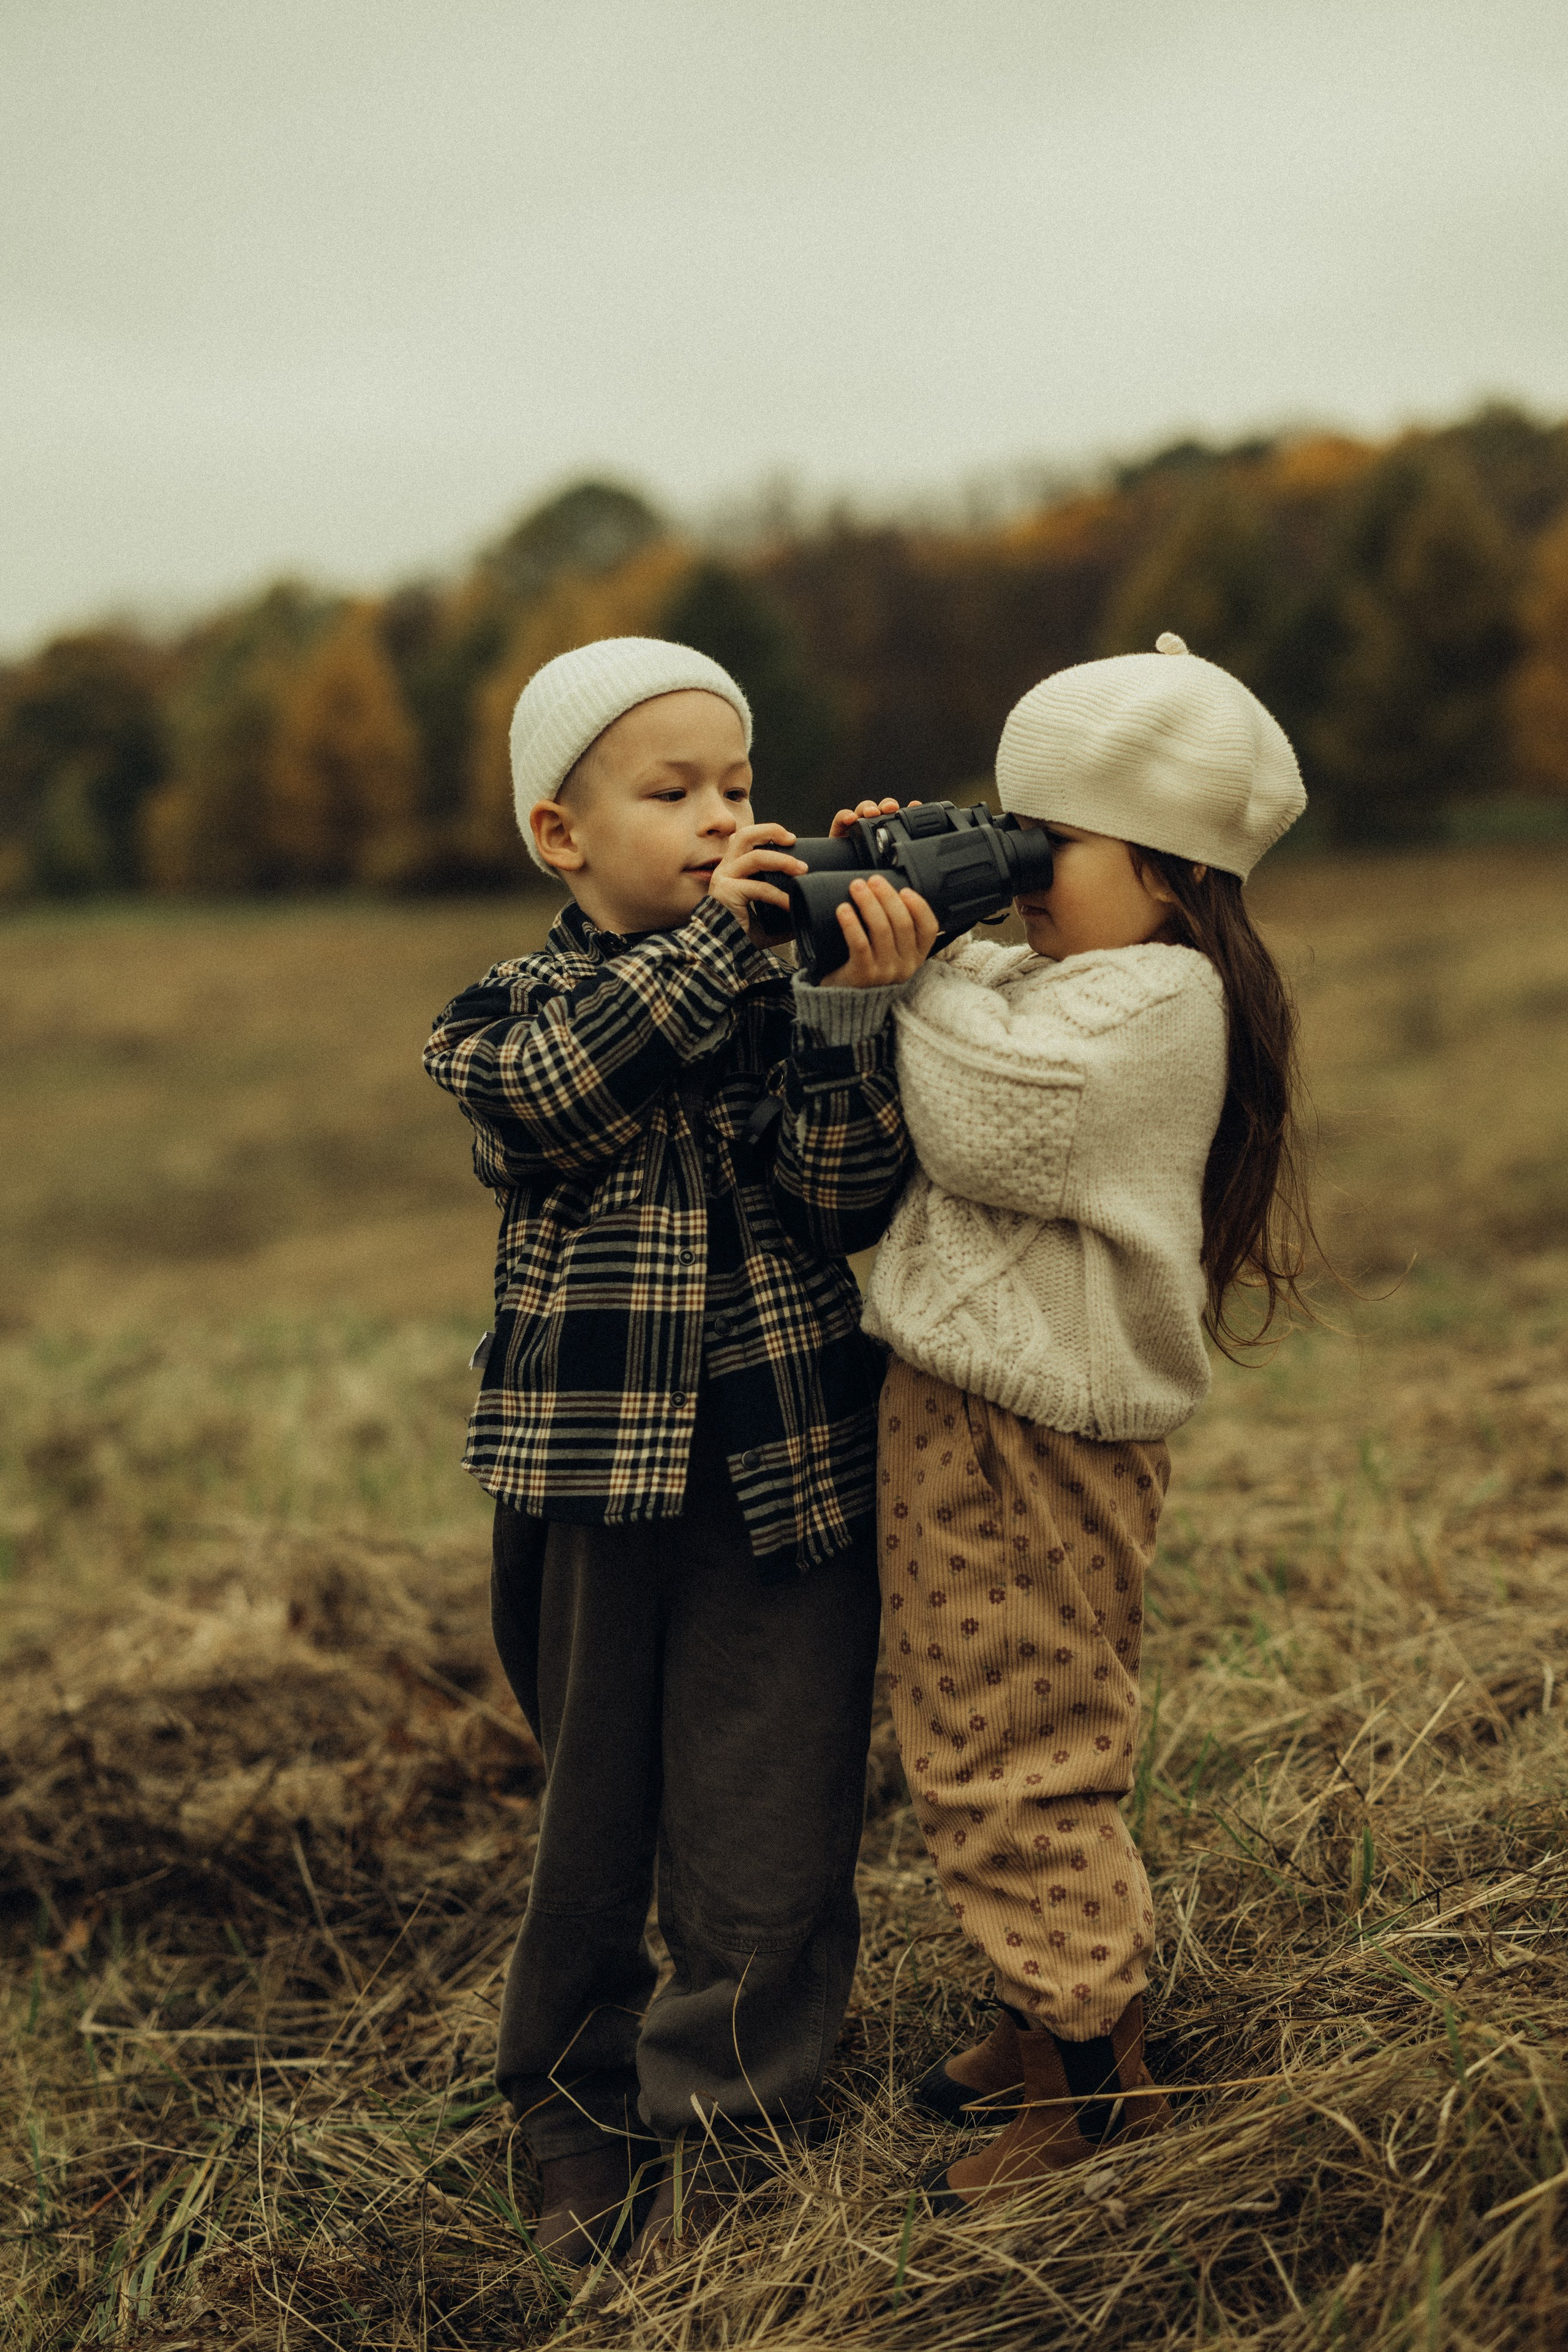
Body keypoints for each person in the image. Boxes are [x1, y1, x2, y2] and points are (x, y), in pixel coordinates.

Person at [423, 637, 938, 2266]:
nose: (724, 820)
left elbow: (847, 1207)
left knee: (771, 1812)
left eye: (742, 787)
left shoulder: (779, 993)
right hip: (587, 1481)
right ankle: (572, 2100)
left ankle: (731, 2119)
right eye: (675, 793)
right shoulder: (507, 1011)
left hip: (786, 1465)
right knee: (596, 1808)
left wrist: (856, 1008)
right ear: (560, 835)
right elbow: (562, 1095)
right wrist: (724, 946)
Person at [861, 632, 1314, 2211]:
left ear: (1177, 871)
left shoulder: (1157, 999)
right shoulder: (1073, 972)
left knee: (1017, 1738)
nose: (1026, 874)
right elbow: (976, 1011)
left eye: (1056, 845)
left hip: (1029, 1434)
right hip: (976, 1416)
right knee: (972, 1717)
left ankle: (1090, 2080)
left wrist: (905, 961)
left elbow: (989, 1114)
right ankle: (1037, 2008)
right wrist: (908, 898)